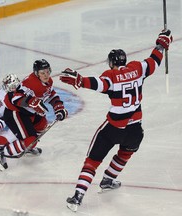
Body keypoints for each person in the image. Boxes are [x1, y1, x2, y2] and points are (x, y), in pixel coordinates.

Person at [59, 29, 173, 212]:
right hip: (135, 130)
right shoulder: (138, 68)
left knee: (92, 161)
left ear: (112, 63)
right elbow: (154, 61)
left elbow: (98, 83)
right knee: (126, 152)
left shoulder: (111, 76)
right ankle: (108, 179)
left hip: (113, 129)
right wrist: (161, 44)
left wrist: (79, 80)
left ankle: (78, 197)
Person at [0, 59, 68, 170]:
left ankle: (28, 147)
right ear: (36, 73)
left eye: (47, 71)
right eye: (42, 72)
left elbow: (51, 95)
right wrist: (32, 101)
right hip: (15, 112)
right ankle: (1, 153)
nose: (46, 75)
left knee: (42, 123)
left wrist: (59, 108)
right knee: (30, 140)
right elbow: (14, 98)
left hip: (29, 112)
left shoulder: (49, 81)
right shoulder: (29, 83)